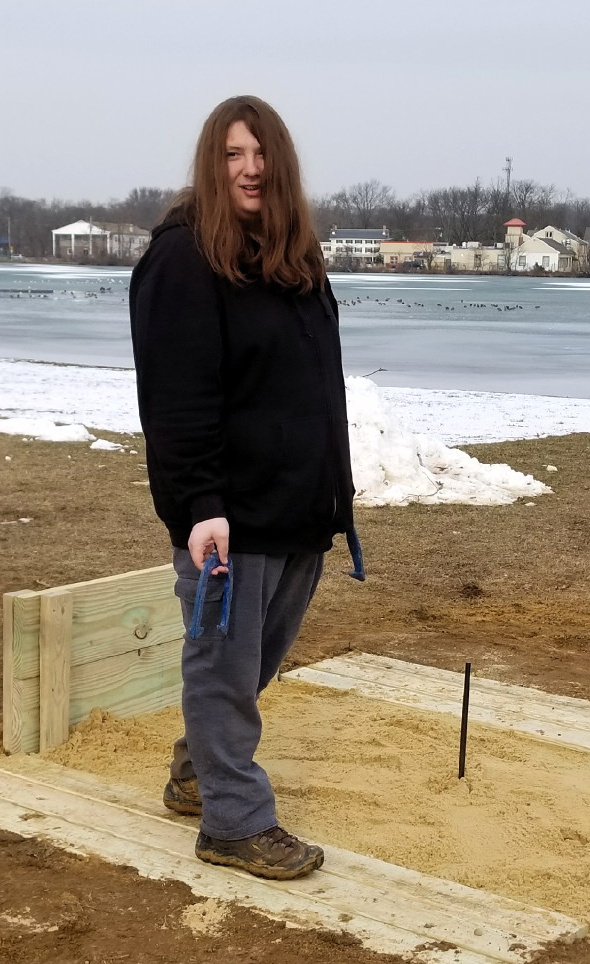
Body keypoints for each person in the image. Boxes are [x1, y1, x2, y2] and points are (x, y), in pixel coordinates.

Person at [130, 95, 359, 882]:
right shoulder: (184, 259)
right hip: (231, 515)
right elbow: (176, 399)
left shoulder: (292, 255)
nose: (250, 169)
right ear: (211, 163)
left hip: (299, 509)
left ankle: (198, 775)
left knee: (247, 667)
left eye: (260, 154)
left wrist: (335, 492)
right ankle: (232, 820)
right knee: (223, 668)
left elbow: (312, 385)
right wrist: (201, 507)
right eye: (232, 155)